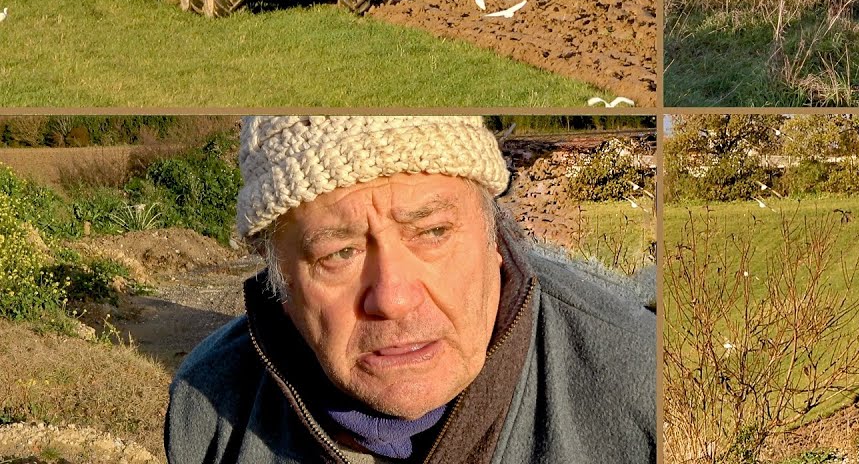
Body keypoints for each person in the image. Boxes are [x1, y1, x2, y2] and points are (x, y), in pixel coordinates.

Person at [166, 116, 656, 463]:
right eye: (339, 254)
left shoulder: (641, 380)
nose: (393, 297)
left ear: (494, 238)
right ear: (282, 284)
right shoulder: (206, 407)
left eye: (433, 233)